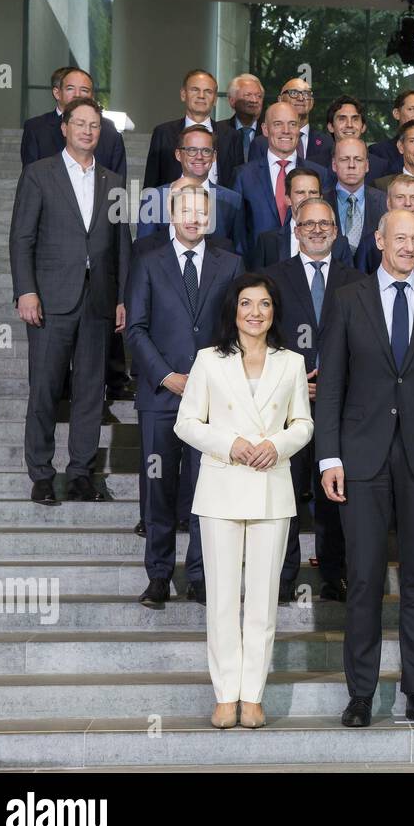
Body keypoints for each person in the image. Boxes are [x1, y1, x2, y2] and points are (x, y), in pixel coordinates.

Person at [316, 210, 414, 729]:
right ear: (379, 240)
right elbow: (331, 382)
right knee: (362, 580)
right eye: (399, 237)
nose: (409, 246)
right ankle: (360, 695)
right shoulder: (347, 298)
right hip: (360, 457)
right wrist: (329, 456)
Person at [173, 272, 314, 729]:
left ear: (275, 312)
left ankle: (252, 694)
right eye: (247, 304)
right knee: (221, 600)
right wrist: (230, 443)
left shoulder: (291, 362)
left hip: (271, 487)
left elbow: (304, 424)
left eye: (265, 304)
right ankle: (224, 693)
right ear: (232, 310)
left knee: (261, 601)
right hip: (221, 487)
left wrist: (277, 445)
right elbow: (187, 423)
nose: (256, 312)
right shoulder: (209, 360)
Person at [127, 184, 243, 609]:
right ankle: (158, 575)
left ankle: (198, 575)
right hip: (161, 397)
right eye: (186, 211)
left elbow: (236, 330)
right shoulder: (147, 260)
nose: (194, 218)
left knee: (205, 489)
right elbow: (135, 328)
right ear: (172, 215)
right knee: (157, 488)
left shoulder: (230, 263)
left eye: (201, 211)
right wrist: (166, 376)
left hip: (212, 401)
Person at [10, 97, 130, 506]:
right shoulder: (38, 174)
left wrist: (121, 298)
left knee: (90, 391)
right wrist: (25, 290)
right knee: (44, 387)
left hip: (97, 300)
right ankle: (42, 474)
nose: (87, 131)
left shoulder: (113, 182)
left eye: (94, 125)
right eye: (79, 123)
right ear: (64, 127)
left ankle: (81, 473)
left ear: (100, 131)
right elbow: (22, 237)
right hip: (49, 299)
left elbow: (121, 245)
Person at [264, 197, 364, 605]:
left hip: (340, 406)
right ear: (297, 230)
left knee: (334, 494)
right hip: (287, 406)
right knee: (285, 493)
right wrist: (290, 381)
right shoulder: (272, 278)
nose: (317, 230)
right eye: (309, 224)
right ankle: (284, 578)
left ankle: (334, 575)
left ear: (337, 232)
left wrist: (337, 382)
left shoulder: (357, 280)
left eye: (325, 224)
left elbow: (365, 342)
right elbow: (262, 336)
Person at [235, 102, 333, 268]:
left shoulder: (320, 174)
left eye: (292, 124)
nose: (286, 130)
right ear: (265, 129)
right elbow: (239, 235)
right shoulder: (243, 175)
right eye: (278, 124)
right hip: (258, 272)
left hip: (309, 271)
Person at [137, 125, 245, 257]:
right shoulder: (154, 198)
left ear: (214, 156)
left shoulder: (232, 200)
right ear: (178, 154)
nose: (199, 156)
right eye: (191, 150)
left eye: (206, 151)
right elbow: (143, 250)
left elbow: (238, 252)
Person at [20, 67, 127, 181]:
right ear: (57, 93)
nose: (77, 95)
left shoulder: (109, 131)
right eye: (70, 89)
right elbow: (30, 180)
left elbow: (117, 185)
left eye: (84, 90)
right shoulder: (36, 128)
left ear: (92, 96)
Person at [254, 168, 353, 269]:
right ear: (288, 199)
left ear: (321, 198)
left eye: (313, 192)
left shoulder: (340, 244)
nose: (307, 197)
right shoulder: (267, 242)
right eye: (300, 192)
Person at [144, 70, 221, 190]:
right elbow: (151, 182)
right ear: (183, 94)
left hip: (220, 205)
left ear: (215, 99)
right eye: (195, 90)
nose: (201, 96)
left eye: (208, 91)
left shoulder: (231, 136)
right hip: (171, 205)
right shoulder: (163, 133)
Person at [247, 77, 332, 167]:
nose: (301, 98)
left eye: (306, 94)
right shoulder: (261, 143)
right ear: (280, 99)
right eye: (293, 93)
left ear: (312, 102)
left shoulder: (327, 143)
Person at [327, 136, 387, 259]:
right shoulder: (320, 201)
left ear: (367, 165)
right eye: (344, 159)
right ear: (334, 165)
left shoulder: (385, 202)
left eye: (358, 159)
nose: (352, 165)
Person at [213, 73, 264, 187]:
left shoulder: (270, 132)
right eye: (248, 95)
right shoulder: (217, 131)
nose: (254, 100)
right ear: (232, 101)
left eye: (259, 96)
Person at [324, 95, 390, 182]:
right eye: (342, 119)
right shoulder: (314, 165)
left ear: (363, 127)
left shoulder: (380, 167)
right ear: (330, 127)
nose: (349, 125)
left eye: (355, 119)